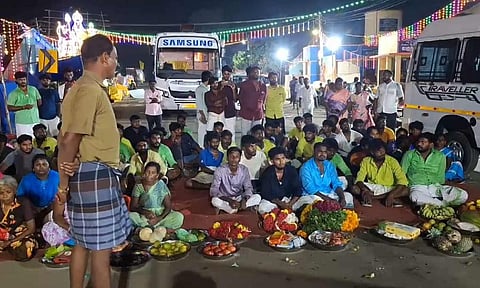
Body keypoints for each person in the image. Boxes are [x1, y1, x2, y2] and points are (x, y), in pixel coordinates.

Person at [56, 34, 131, 288]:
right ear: (104, 58)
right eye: (115, 59)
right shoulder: (90, 91)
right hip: (96, 175)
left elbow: (65, 140)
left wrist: (65, 180)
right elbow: (69, 141)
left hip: (86, 172)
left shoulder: (77, 88)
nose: (116, 65)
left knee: (83, 243)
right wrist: (62, 189)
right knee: (101, 251)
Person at [401, 132, 468, 207]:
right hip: (418, 187)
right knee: (415, 196)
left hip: (436, 187)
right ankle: (443, 204)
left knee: (463, 195)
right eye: (418, 142)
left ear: (431, 145)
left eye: (423, 142)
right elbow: (402, 174)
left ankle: (434, 203)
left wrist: (442, 190)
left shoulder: (440, 156)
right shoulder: (409, 154)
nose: (419, 144)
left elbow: (441, 176)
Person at [352, 139, 409, 207]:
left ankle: (373, 198)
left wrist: (391, 194)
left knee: (407, 190)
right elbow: (359, 179)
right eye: (378, 151)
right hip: (372, 188)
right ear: (372, 152)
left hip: (389, 188)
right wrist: (365, 190)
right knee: (354, 188)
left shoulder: (392, 161)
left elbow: (402, 181)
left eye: (383, 150)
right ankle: (384, 198)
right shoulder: (366, 161)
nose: (382, 152)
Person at [298, 142, 354, 209]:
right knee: (312, 202)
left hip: (328, 193)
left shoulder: (329, 165)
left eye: (325, 152)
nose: (322, 154)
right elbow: (310, 189)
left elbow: (336, 183)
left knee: (348, 196)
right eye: (320, 151)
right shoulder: (306, 167)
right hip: (313, 195)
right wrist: (328, 200)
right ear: (314, 152)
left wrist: (342, 198)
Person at [129, 162, 184, 229]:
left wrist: (158, 219)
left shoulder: (161, 185)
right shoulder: (139, 186)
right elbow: (133, 207)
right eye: (147, 172)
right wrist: (145, 212)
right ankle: (155, 228)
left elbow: (168, 207)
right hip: (145, 217)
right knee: (130, 216)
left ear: (157, 175)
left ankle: (149, 227)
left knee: (178, 217)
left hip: (161, 215)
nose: (149, 175)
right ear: (144, 173)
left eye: (153, 173)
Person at [210, 147, 261, 214]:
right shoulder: (220, 170)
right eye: (232, 157)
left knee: (257, 197)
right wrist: (230, 201)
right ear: (227, 158)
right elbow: (214, 190)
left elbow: (248, 187)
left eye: (237, 157)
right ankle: (236, 208)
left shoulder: (244, 169)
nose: (234, 159)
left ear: (240, 158)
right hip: (225, 198)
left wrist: (244, 200)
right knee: (214, 200)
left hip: (239, 197)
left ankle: (236, 208)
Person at [0, 175, 38, 261]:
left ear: (14, 191)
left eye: (8, 192)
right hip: (2, 235)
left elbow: (31, 228)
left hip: (19, 235)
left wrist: (10, 241)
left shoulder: (23, 203)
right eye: (1, 193)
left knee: (26, 249)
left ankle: (10, 247)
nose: (5, 195)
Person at [17, 154, 59, 227]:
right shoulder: (26, 180)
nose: (41, 167)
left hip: (52, 209)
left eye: (44, 164)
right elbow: (19, 197)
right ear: (33, 168)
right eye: (38, 165)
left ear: (49, 167)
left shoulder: (57, 176)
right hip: (32, 211)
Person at [258, 147, 302, 214]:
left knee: (308, 201)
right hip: (274, 202)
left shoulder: (292, 170)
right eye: (277, 159)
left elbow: (298, 190)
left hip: (290, 200)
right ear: (272, 161)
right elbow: (266, 193)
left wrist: (289, 204)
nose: (281, 162)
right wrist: (280, 203)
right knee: (263, 208)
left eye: (283, 158)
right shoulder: (267, 173)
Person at [7, 71, 42, 137]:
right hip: (22, 123)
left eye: (24, 79)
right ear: (16, 80)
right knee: (23, 141)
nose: (23, 81)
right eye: (20, 80)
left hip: (35, 120)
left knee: (36, 140)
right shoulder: (13, 93)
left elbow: (39, 101)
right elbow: (9, 108)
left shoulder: (33, 89)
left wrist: (36, 104)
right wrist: (23, 107)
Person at [238, 66, 267, 135]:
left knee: (257, 133)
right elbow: (240, 98)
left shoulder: (263, 86)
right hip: (246, 114)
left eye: (258, 72)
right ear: (250, 73)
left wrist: (263, 111)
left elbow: (264, 100)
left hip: (258, 114)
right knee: (245, 134)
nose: (256, 74)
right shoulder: (244, 85)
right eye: (254, 72)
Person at [219, 65, 237, 142]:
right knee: (220, 132)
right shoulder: (218, 84)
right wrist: (221, 87)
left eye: (228, 74)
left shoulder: (233, 84)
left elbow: (235, 99)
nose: (226, 75)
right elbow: (216, 96)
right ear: (222, 74)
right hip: (220, 112)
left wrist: (233, 89)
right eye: (225, 74)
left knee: (231, 131)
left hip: (231, 111)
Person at [196, 71, 212, 147]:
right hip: (203, 114)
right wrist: (202, 115)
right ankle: (201, 147)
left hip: (206, 113)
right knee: (202, 133)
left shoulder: (206, 88)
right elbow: (199, 104)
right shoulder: (200, 89)